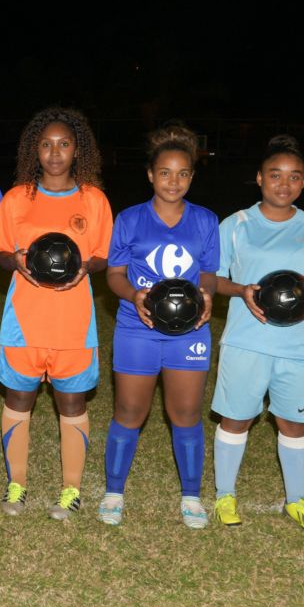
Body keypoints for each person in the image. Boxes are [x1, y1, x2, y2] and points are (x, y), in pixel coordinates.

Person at [0, 107, 112, 520]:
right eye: (46, 145)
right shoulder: (17, 198)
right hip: (24, 318)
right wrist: (18, 261)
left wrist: (84, 267)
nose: (54, 153)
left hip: (73, 322)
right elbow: (2, 252)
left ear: (77, 149)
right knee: (19, 398)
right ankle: (17, 485)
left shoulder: (93, 200)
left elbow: (101, 258)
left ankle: (71, 490)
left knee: (71, 402)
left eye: (63, 144)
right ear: (34, 151)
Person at [208, 135, 304, 531]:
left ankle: (297, 500)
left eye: (294, 177)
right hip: (247, 340)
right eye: (275, 175)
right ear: (259, 178)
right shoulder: (237, 224)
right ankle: (226, 495)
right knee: (236, 419)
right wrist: (242, 290)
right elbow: (212, 278)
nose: (284, 184)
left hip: (297, 343)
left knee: (293, 424)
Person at [100, 124, 218, 529]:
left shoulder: (205, 220)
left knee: (185, 413)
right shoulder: (130, 219)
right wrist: (133, 295)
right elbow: (114, 274)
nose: (174, 181)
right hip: (137, 327)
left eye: (183, 173)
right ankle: (114, 491)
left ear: (192, 177)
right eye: (165, 173)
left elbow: (209, 275)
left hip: (189, 332)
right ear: (150, 175)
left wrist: (207, 297)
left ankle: (191, 496)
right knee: (130, 411)